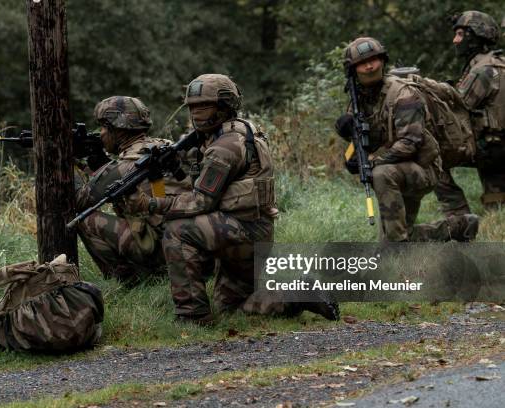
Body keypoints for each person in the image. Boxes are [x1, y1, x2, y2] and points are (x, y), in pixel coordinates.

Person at [124, 74, 339, 324]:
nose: (196, 114)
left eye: (204, 106)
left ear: (225, 107)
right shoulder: (237, 131)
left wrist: (150, 204)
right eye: (192, 107)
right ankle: (301, 294)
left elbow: (200, 202)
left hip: (241, 231)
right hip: (252, 230)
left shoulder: (224, 147)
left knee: (177, 231)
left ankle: (192, 316)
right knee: (232, 307)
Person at [336, 37, 479, 242]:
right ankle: (459, 227)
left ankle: (399, 250)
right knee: (395, 236)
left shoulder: (403, 94)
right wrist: (347, 138)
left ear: (382, 60)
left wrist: (372, 161)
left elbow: (410, 143)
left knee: (381, 174)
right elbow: (365, 138)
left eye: (374, 59)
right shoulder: (360, 98)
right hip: (397, 168)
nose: (369, 66)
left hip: (422, 168)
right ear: (353, 69)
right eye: (362, 62)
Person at [75, 96, 191, 285]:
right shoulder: (165, 146)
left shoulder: (126, 164)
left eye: (104, 128)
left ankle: (126, 280)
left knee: (85, 220)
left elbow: (78, 199)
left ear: (117, 130)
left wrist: (64, 164)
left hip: (164, 251)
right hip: (190, 243)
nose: (101, 134)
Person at [451, 11, 505, 211]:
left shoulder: (482, 70)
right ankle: (496, 213)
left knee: (429, 154)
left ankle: (457, 214)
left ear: (474, 37)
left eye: (460, 34)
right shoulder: (498, 62)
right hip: (497, 147)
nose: (455, 40)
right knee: (496, 201)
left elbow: (457, 111)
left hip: (492, 148)